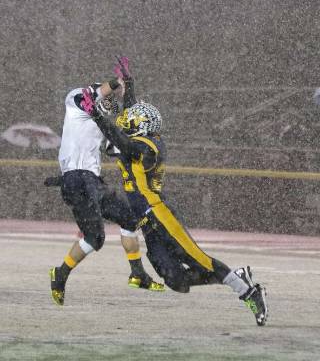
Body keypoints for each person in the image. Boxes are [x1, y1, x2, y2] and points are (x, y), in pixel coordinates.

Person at [80, 58, 268, 326]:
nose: (126, 122)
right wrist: (129, 84)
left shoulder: (148, 145)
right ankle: (236, 275)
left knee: (199, 259)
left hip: (159, 213)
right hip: (146, 221)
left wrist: (97, 115)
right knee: (175, 281)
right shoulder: (142, 132)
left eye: (133, 122)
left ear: (142, 126)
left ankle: (248, 292)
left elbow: (124, 141)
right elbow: (131, 113)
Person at [49, 70, 164, 307]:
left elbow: (117, 141)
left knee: (127, 222)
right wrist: (115, 84)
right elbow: (91, 96)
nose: (109, 105)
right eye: (106, 99)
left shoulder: (99, 121)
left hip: (89, 181)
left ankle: (136, 274)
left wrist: (128, 87)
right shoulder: (75, 101)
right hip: (77, 179)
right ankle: (61, 274)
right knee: (98, 236)